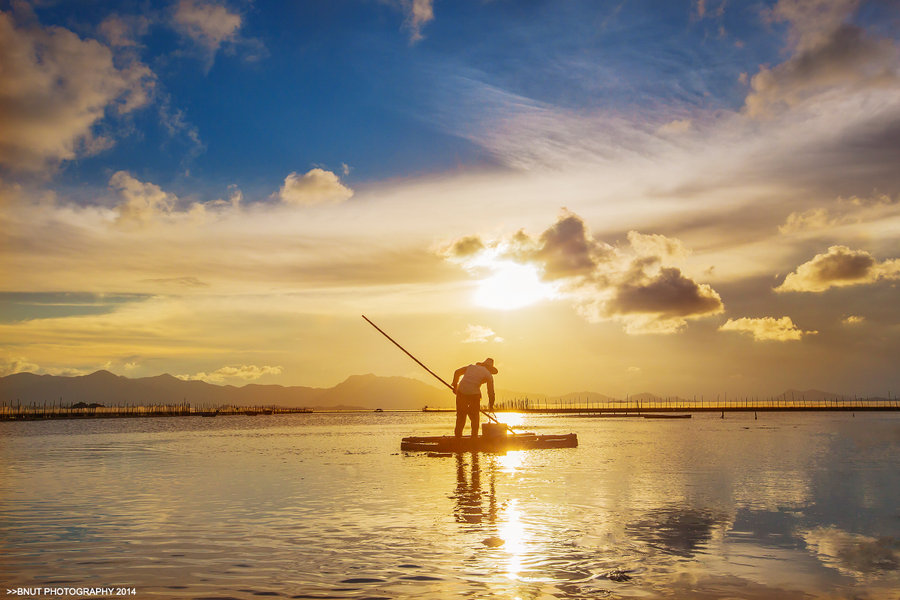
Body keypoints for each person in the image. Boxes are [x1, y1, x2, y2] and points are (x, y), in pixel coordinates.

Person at [451, 358, 497, 438]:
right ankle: (474, 438)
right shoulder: (488, 375)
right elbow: (490, 392)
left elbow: (457, 372)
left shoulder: (471, 367)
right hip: (473, 395)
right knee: (475, 418)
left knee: (461, 417)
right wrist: (491, 405)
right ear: (490, 369)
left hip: (461, 392)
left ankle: (458, 438)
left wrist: (455, 386)